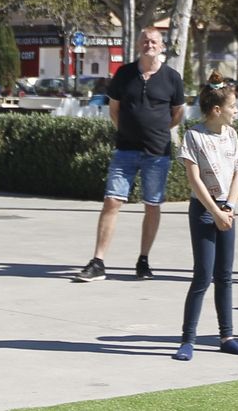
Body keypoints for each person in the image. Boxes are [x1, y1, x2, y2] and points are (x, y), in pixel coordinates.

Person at [71, 26, 186, 283]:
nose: (149, 44)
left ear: (162, 46)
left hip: (158, 153)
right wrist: (128, 130)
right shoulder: (124, 74)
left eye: (154, 41)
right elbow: (114, 110)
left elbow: (177, 113)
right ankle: (98, 261)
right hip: (125, 151)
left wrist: (157, 131)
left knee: (152, 205)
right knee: (112, 201)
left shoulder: (172, 78)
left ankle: (143, 260)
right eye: (144, 40)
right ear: (138, 44)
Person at [173, 77, 238, 361]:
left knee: (226, 277)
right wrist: (215, 211)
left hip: (226, 210)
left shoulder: (231, 134)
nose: (236, 111)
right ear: (216, 109)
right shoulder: (194, 136)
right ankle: (187, 339)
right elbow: (194, 180)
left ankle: (227, 336)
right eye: (232, 106)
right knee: (203, 276)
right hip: (205, 211)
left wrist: (229, 206)